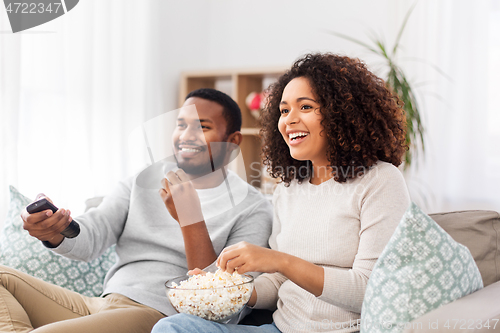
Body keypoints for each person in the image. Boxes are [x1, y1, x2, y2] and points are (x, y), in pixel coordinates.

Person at [151, 53, 412, 333]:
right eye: (284, 110)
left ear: (342, 113)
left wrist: (281, 261)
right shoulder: (289, 189)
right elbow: (277, 284)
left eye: (306, 107)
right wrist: (226, 288)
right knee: (173, 328)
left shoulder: (381, 181)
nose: (289, 120)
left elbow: (371, 290)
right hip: (280, 329)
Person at [0, 88, 273, 333]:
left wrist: (190, 218)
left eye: (202, 127)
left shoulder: (253, 208)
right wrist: (56, 230)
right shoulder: (143, 181)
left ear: (233, 141)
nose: (186, 136)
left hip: (158, 316)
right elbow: (92, 235)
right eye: (181, 125)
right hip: (103, 304)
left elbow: (221, 301)